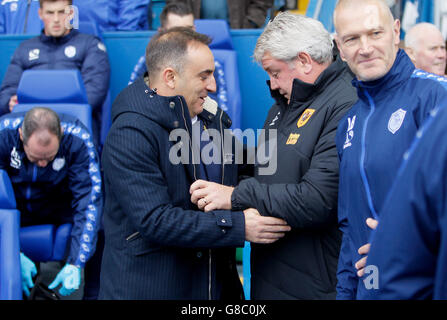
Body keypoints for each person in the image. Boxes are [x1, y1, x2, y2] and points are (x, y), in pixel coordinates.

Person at [99, 27, 291, 300]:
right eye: (204, 76)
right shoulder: (130, 133)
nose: (213, 85)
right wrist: (239, 226)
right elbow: (155, 220)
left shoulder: (207, 118)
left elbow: (243, 165)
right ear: (170, 77)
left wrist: (295, 160)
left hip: (211, 285)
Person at [190, 11, 357, 299]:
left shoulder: (344, 105)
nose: (273, 83)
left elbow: (318, 200)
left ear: (304, 61)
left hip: (316, 286)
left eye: (275, 72)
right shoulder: (283, 105)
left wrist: (234, 196)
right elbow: (270, 165)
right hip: (270, 278)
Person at [333, 0, 447, 300]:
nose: (365, 47)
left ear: (396, 32)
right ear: (339, 47)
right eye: (352, 39)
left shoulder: (437, 99)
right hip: (368, 291)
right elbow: (350, 231)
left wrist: (399, 243)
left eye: (375, 33)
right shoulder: (348, 124)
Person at [0, 107, 102, 298]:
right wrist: (12, 252)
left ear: (61, 134)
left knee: (102, 221)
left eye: (49, 157)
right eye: (36, 158)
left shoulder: (77, 139)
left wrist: (76, 263)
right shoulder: (3, 134)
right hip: (17, 210)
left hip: (59, 207)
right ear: (21, 135)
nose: (43, 164)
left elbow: (88, 202)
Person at [356, 100, 447, 300]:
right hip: (361, 271)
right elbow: (348, 216)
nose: (273, 83)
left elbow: (317, 193)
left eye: (276, 74)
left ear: (305, 65)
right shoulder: (351, 118)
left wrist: (389, 245)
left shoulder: (432, 101)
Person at [0, 0, 110, 147]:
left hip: (73, 126)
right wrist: (10, 102)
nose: (56, 19)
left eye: (62, 12)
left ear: (71, 13)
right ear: (40, 14)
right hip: (29, 128)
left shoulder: (90, 45)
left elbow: (94, 94)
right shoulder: (25, 48)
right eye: (50, 13)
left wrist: (47, 114)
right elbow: (7, 93)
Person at [129, 2, 195, 84]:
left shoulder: (206, 60)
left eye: (188, 30)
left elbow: (211, 94)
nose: (183, 35)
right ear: (162, 32)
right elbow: (132, 94)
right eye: (175, 31)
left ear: (194, 30)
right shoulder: (148, 60)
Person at [165, 0, 273, 29]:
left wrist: (250, 23)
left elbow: (262, 2)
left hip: (237, 35)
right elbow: (174, 3)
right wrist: (186, 27)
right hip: (193, 34)